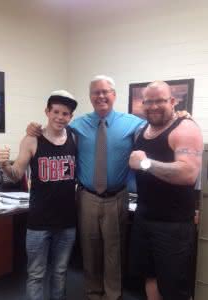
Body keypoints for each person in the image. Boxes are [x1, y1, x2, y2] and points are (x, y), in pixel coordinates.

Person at [26, 75, 146, 300]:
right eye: (95, 92)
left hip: (117, 197)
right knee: (89, 250)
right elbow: (54, 127)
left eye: (105, 91)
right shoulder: (77, 124)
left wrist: (181, 117)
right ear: (90, 97)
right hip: (86, 197)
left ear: (114, 95)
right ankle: (92, 293)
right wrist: (34, 127)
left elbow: (156, 131)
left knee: (114, 251)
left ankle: (112, 295)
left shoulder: (133, 122)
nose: (101, 96)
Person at [0, 90, 78, 300]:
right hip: (39, 222)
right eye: (56, 112)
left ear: (71, 117)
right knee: (36, 274)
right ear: (47, 112)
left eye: (66, 114)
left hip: (67, 222)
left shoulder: (75, 139)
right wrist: (5, 164)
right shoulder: (32, 140)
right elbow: (15, 176)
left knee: (60, 273)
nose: (60, 117)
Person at [129, 80, 203, 300]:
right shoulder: (142, 129)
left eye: (159, 100)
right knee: (149, 276)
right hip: (144, 217)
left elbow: (188, 173)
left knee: (175, 287)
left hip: (173, 225)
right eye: (148, 101)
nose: (153, 106)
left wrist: (145, 164)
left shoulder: (186, 128)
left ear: (172, 101)